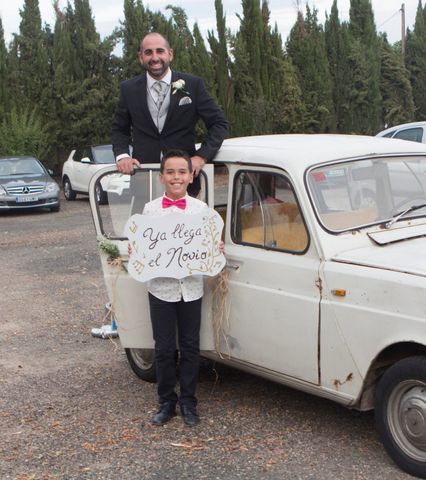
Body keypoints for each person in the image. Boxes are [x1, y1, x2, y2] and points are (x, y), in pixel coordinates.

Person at [141, 149, 219, 426]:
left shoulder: (201, 210)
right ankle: (166, 402)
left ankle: (188, 402)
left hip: (191, 289)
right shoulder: (150, 210)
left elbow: (209, 249)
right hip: (161, 289)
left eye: (182, 172)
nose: (177, 177)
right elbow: (144, 246)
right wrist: (137, 250)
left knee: (189, 347)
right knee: (163, 349)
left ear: (190, 176)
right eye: (171, 172)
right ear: (162, 177)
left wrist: (214, 250)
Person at [111, 32, 228, 184]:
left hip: (184, 180)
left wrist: (201, 156)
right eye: (148, 52)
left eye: (160, 51)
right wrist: (122, 156)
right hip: (143, 178)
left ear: (170, 54)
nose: (154, 58)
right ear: (141, 58)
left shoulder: (193, 85)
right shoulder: (128, 89)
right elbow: (119, 129)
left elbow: (219, 123)